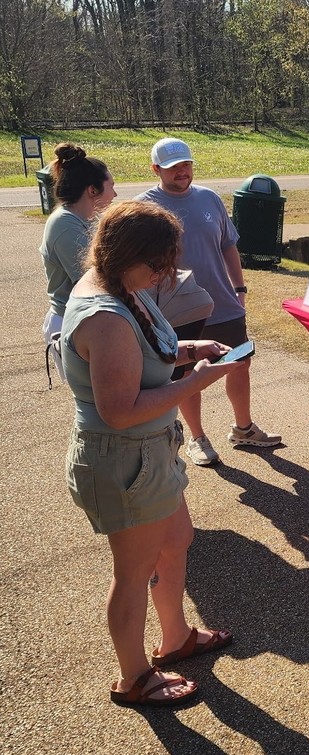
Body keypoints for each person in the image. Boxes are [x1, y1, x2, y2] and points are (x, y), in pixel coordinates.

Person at [62, 201, 243, 707]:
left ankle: (176, 637)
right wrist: (200, 381)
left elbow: (150, 353)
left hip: (150, 452)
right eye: (158, 263)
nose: (164, 273)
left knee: (177, 539)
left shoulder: (123, 287)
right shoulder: (105, 316)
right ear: (125, 254)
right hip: (123, 459)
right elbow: (120, 411)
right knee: (133, 573)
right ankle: (134, 677)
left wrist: (190, 351)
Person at [137, 138, 281, 466]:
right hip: (176, 309)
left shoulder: (209, 198)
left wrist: (239, 288)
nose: (182, 172)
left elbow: (229, 245)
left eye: (186, 164)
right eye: (173, 167)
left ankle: (243, 429)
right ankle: (197, 438)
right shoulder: (145, 207)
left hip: (223, 302)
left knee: (239, 363)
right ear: (156, 169)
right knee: (188, 374)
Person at [39, 144, 117, 383]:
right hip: (72, 321)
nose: (114, 194)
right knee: (95, 397)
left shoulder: (84, 219)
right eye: (111, 187)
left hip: (88, 317)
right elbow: (95, 277)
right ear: (92, 190)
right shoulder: (64, 224)